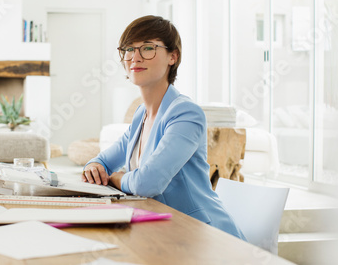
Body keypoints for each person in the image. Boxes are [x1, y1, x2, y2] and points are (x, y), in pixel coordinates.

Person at [82, 15, 246, 240]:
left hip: (206, 236)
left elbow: (147, 183)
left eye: (148, 48)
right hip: (164, 230)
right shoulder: (142, 114)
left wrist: (114, 178)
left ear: (173, 56)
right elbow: (103, 161)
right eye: (129, 49)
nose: (135, 57)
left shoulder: (186, 114)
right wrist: (94, 166)